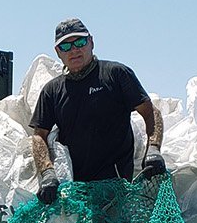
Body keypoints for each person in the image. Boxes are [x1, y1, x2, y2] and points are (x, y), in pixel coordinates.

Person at [31, 18, 166, 205]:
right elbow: (39, 135)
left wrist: (154, 148)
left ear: (91, 42)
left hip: (118, 189)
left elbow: (151, 111)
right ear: (58, 52)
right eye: (66, 46)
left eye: (80, 42)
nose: (74, 50)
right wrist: (47, 172)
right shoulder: (52, 91)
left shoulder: (116, 74)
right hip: (76, 192)